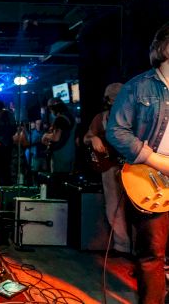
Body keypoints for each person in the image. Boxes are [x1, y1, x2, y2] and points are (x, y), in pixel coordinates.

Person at [106, 22, 169, 303]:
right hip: (151, 179)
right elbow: (116, 131)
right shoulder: (139, 87)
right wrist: (155, 159)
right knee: (152, 253)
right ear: (165, 48)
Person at [84, 83, 131, 257]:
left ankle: (141, 249)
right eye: (112, 99)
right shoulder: (101, 118)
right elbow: (85, 138)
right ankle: (122, 246)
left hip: (131, 167)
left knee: (137, 210)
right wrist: (94, 137)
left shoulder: (135, 115)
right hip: (110, 167)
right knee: (113, 206)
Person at [41, 97, 76, 198]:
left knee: (58, 182)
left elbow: (56, 137)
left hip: (60, 155)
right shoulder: (70, 117)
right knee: (66, 181)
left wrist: (45, 136)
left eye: (50, 109)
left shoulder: (60, 119)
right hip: (70, 153)